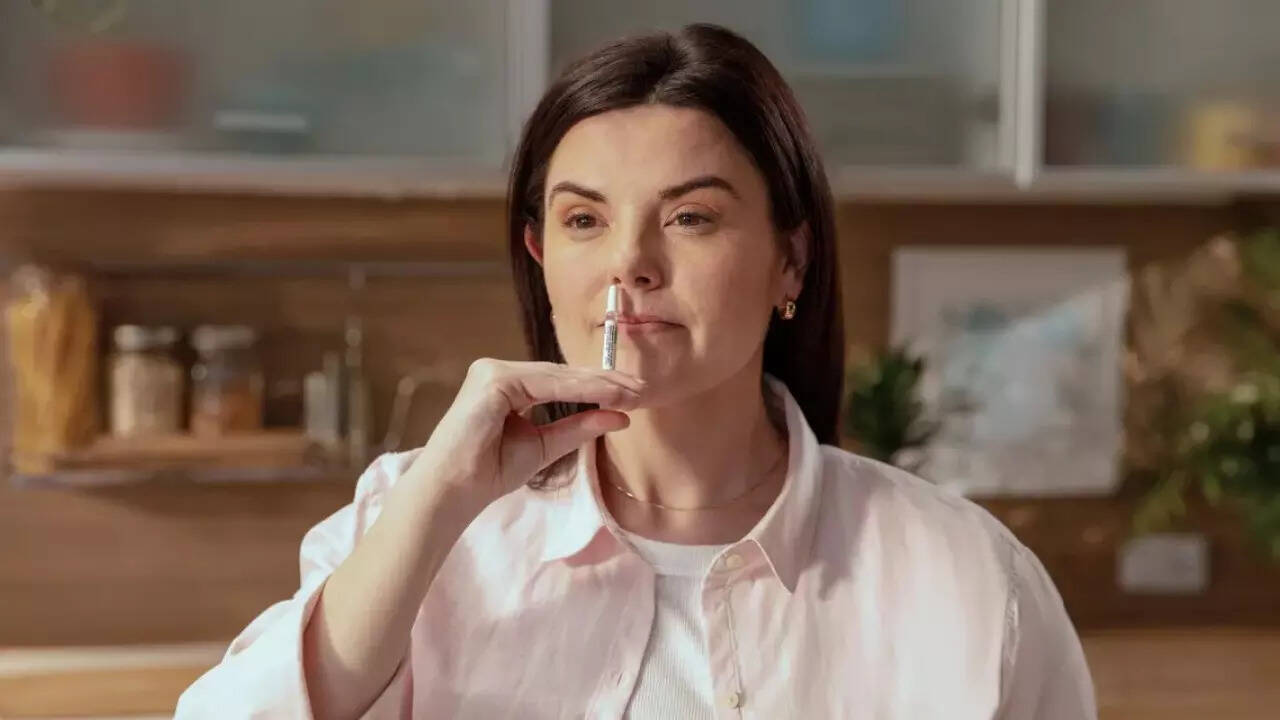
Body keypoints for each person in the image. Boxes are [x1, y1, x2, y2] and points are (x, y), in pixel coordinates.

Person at [176, 23, 1096, 719]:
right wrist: (437, 508)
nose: (630, 264)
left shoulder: (972, 582)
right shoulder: (416, 524)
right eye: (585, 221)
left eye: (690, 217)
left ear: (791, 260)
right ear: (540, 255)